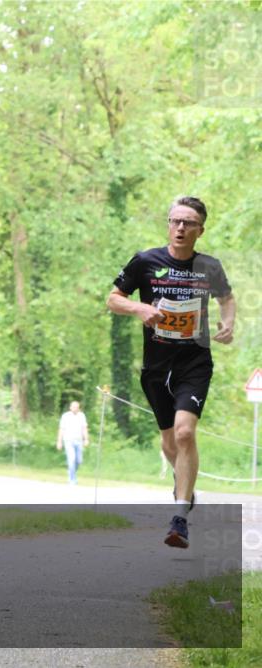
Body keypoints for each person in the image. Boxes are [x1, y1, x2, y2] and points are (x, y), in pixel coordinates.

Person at [106, 196, 236, 549]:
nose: (180, 228)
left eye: (188, 223)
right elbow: (113, 298)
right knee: (168, 441)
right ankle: (186, 488)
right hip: (155, 366)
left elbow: (226, 298)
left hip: (194, 362)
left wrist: (228, 324)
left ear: (200, 230)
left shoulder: (209, 266)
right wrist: (138, 308)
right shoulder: (146, 261)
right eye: (175, 221)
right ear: (168, 225)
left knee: (184, 433)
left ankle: (180, 516)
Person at [56, 401, 88, 485]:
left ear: (79, 408)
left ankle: (71, 472)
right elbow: (61, 429)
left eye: (77, 407)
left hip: (79, 441)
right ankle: (72, 480)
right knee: (71, 459)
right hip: (68, 441)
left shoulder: (82, 416)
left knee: (79, 460)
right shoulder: (65, 416)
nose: (75, 408)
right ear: (70, 407)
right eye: (73, 407)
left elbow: (84, 428)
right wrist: (59, 441)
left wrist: (86, 439)